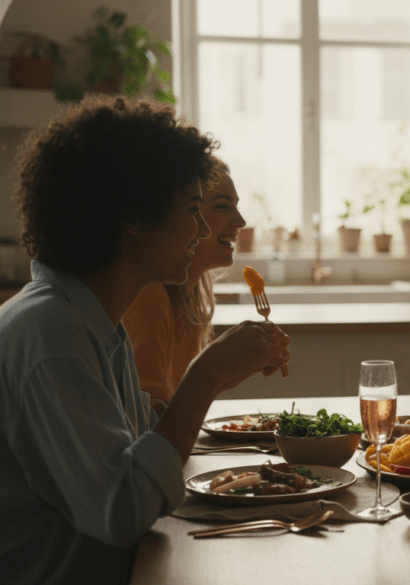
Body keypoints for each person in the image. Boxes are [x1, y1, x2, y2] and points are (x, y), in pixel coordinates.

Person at [0, 95, 291, 584]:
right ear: (134, 217)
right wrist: (206, 375)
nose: (202, 230)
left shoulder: (91, 320)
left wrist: (215, 379)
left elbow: (137, 443)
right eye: (194, 209)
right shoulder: (51, 337)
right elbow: (126, 509)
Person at [123, 157, 246, 412]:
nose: (241, 221)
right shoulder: (151, 296)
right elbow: (151, 422)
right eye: (223, 206)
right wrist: (213, 371)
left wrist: (223, 374)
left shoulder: (191, 302)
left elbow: (177, 410)